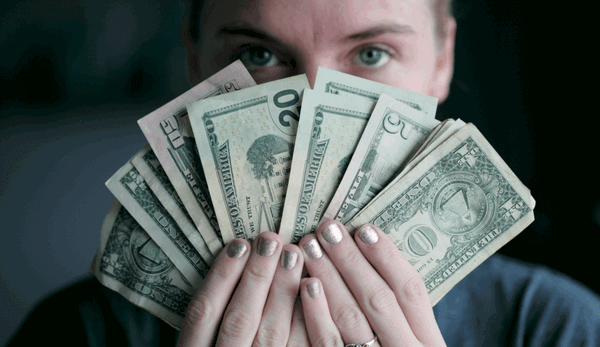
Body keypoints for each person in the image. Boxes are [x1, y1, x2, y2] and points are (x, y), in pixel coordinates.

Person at [7, 0, 600, 346]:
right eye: (259, 55)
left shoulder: (558, 328)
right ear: (194, 61)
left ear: (442, 61)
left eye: (370, 54)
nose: (312, 103)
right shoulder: (77, 333)